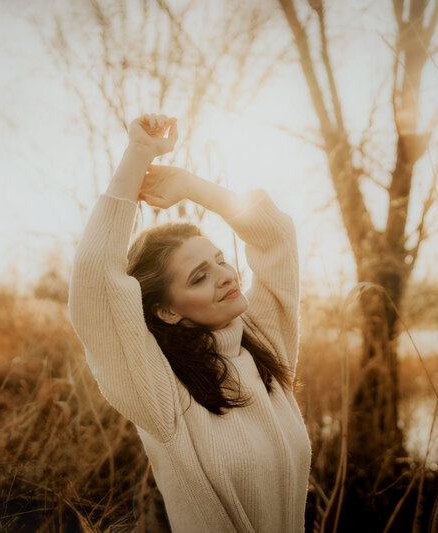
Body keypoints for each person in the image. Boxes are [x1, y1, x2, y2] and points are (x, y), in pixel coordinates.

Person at [68, 113, 312, 532]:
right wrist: (138, 155)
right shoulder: (160, 392)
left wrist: (190, 186)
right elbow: (98, 280)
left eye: (220, 260)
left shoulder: (264, 344)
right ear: (167, 311)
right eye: (200, 276)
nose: (226, 275)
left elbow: (276, 237)